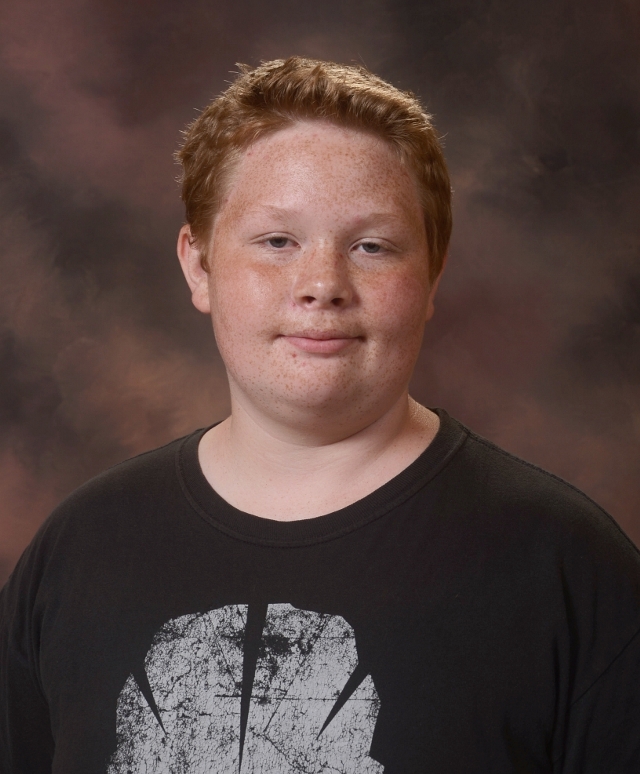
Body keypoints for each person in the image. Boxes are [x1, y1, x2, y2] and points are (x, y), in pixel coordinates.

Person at [1, 56, 639, 774]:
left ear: (432, 274)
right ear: (199, 266)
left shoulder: (567, 568)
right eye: (278, 241)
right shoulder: (80, 549)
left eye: (372, 246)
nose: (322, 285)